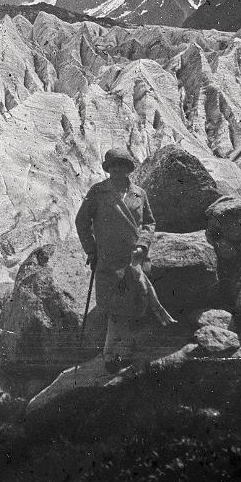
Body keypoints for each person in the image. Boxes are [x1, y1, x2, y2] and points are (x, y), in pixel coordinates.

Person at [75, 147, 176, 373]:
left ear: (128, 168)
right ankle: (110, 355)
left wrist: (142, 244)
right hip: (109, 261)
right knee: (114, 309)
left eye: (121, 165)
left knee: (137, 305)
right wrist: (91, 251)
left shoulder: (139, 193)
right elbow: (81, 222)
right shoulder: (98, 192)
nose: (116, 169)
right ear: (108, 169)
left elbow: (149, 223)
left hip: (136, 259)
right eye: (112, 166)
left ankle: (126, 352)